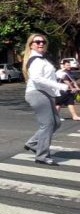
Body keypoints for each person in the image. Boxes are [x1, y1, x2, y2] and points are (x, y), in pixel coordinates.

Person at [22, 34, 78, 165]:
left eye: (43, 41)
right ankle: (41, 155)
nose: (41, 44)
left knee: (56, 122)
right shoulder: (35, 59)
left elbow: (51, 77)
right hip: (37, 93)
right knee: (47, 125)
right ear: (31, 45)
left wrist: (61, 89)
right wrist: (62, 86)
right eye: (37, 42)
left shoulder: (42, 59)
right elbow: (37, 79)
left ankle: (32, 143)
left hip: (45, 94)